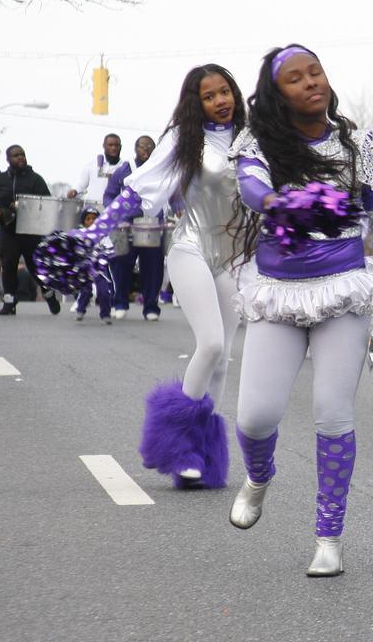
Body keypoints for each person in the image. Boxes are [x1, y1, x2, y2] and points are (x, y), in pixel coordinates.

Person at [226, 44, 373, 577]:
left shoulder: (360, 145)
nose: (312, 82)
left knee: (333, 414)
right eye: (295, 78)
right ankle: (259, 478)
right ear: (276, 94)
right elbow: (251, 187)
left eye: (317, 72)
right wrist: (281, 202)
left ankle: (329, 537)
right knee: (256, 416)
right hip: (278, 291)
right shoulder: (258, 142)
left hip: (343, 292)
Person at [82, 64, 246, 489]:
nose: (220, 101)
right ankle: (177, 446)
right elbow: (138, 191)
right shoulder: (182, 140)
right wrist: (95, 232)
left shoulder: (252, 139)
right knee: (209, 344)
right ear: (196, 103)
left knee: (224, 358)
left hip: (235, 258)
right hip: (191, 249)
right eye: (209, 96)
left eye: (224, 91)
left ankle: (204, 457)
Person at [0, 145, 60, 316]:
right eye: (16, 155)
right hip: (8, 229)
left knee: (35, 267)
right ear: (8, 159)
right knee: (9, 264)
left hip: (30, 231)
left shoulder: (36, 180)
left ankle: (49, 295)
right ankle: (10, 302)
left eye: (22, 154)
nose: (20, 158)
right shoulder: (0, 180)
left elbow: (47, 203)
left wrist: (26, 207)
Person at [102, 135, 166, 321]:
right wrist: (116, 210)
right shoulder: (124, 170)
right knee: (120, 264)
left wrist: (177, 203)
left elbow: (173, 191)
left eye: (150, 147)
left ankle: (151, 306)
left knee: (153, 268)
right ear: (135, 149)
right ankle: (120, 302)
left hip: (152, 225)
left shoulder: (161, 170)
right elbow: (108, 196)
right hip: (126, 226)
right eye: (142, 147)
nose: (146, 151)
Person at [74, 206, 114, 324]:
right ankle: (80, 309)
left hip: (99, 267)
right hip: (85, 266)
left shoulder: (103, 235)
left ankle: (105, 314)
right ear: (84, 222)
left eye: (94, 219)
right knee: (85, 289)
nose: (91, 221)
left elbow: (109, 248)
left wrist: (104, 256)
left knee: (104, 291)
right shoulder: (80, 235)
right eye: (88, 219)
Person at [68, 133, 125, 207]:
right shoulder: (92, 165)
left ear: (120, 147)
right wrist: (74, 191)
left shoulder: (124, 169)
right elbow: (81, 185)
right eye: (110, 145)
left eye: (116, 145)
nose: (113, 148)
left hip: (113, 212)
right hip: (91, 212)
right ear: (104, 146)